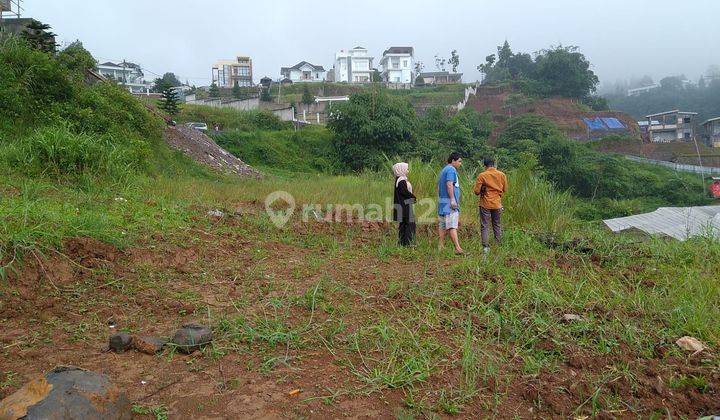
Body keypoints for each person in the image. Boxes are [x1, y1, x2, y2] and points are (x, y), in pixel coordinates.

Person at [473, 158, 507, 254]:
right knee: (497, 224)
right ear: (494, 165)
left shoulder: (482, 175)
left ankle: (485, 246)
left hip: (485, 204)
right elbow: (505, 189)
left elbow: (476, 192)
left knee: (485, 225)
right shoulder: (502, 175)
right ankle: (498, 244)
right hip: (497, 204)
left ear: (485, 166)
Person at [438, 152, 463, 254]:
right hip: (449, 202)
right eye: (459, 161)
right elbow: (449, 184)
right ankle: (458, 248)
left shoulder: (444, 170)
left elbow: (439, 187)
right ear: (453, 161)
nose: (460, 163)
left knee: (442, 225)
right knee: (452, 225)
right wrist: (452, 199)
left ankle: (441, 246)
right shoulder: (451, 170)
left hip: (443, 201)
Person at [392, 162, 416, 246]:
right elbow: (405, 192)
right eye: (406, 168)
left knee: (403, 225)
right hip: (404, 206)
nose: (408, 170)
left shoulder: (398, 179)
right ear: (401, 169)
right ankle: (409, 242)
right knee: (410, 224)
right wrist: (413, 197)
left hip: (401, 205)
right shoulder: (402, 181)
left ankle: (402, 242)